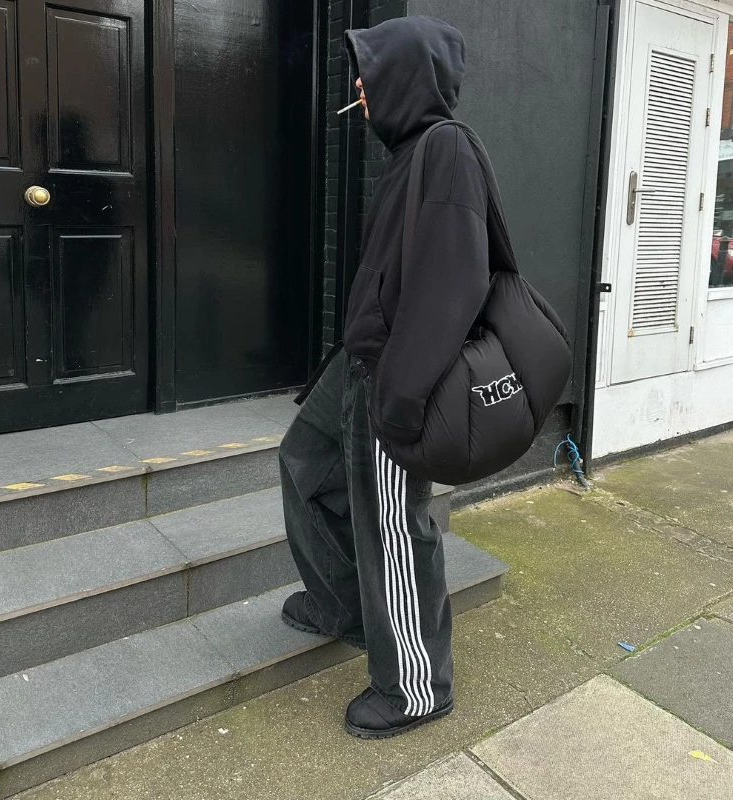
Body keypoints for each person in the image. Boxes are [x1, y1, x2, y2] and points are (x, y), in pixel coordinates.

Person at [278, 15, 489, 739]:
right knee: (303, 461)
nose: (361, 89)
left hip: (397, 377)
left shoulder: (446, 148)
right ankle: (342, 605)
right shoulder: (408, 154)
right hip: (362, 362)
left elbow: (456, 284)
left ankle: (416, 686)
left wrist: (403, 394)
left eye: (369, 73)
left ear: (405, 74)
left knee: (394, 523)